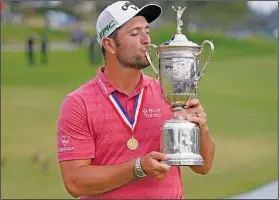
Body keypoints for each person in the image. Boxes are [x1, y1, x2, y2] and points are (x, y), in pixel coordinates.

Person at [56, 1, 215, 199]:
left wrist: (202, 129)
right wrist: (138, 167)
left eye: (146, 30)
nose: (146, 39)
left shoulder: (166, 92)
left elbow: (204, 167)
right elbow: (75, 182)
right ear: (109, 44)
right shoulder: (79, 103)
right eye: (134, 33)